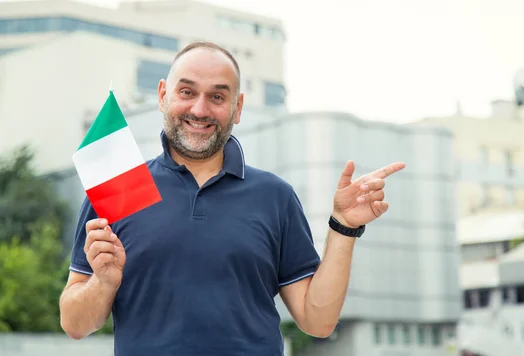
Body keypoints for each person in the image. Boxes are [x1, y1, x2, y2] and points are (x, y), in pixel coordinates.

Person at [59, 41, 405, 356]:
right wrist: (103, 281)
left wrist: (343, 227)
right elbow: (75, 324)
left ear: (237, 108)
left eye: (218, 97)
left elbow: (318, 322)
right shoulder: (119, 188)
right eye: (186, 91)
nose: (200, 108)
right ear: (163, 95)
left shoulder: (274, 196)